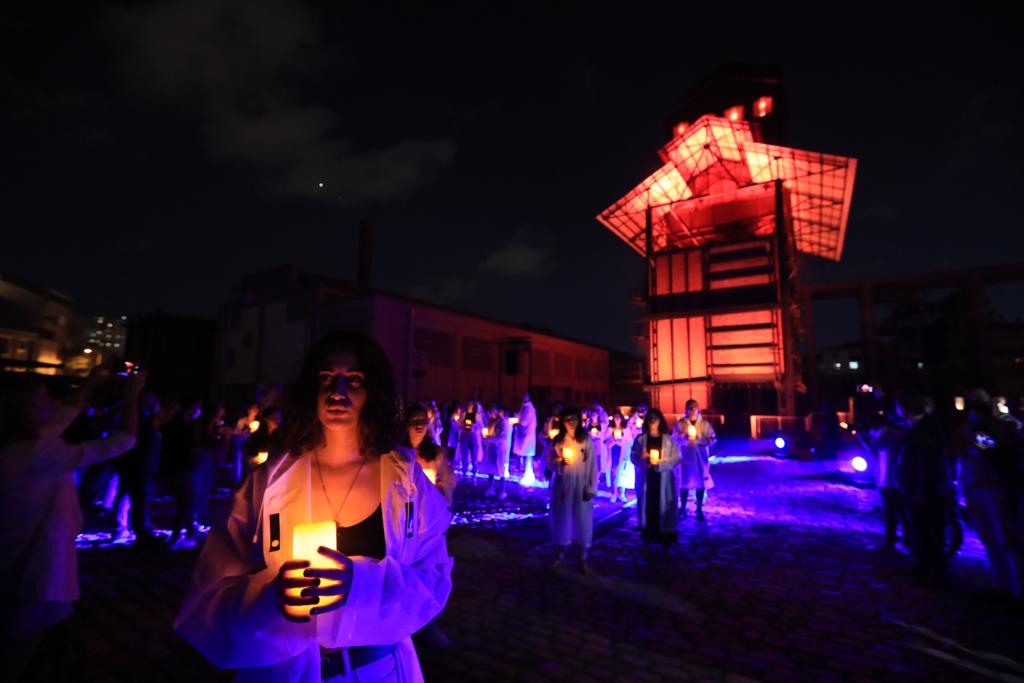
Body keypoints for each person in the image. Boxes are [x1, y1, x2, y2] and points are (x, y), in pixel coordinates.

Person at [175, 331, 453, 682]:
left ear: (373, 392)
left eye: (353, 380)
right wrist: (272, 595)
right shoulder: (269, 482)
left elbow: (433, 580)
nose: (337, 391)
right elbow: (211, 591)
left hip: (379, 671)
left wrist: (360, 583)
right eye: (326, 379)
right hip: (287, 672)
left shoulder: (407, 485)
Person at [1, 367, 144, 681]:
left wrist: (90, 383)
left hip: (25, 567)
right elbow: (123, 441)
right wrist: (132, 396)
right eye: (42, 400)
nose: (52, 403)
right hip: (33, 575)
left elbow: (60, 418)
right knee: (17, 657)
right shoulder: (38, 453)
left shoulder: (21, 444)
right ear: (25, 411)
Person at [403, 402, 456, 650]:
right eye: (414, 418)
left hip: (429, 525)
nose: (419, 424)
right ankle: (404, 626)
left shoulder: (436, 454)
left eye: (423, 419)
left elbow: (448, 482)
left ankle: (430, 622)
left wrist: (436, 492)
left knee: (430, 573)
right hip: (403, 526)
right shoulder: (396, 455)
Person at [896, 393, 949, 584]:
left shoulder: (924, 430)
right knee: (919, 529)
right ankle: (923, 565)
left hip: (926, 489)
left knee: (930, 531)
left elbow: (926, 463)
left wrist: (921, 489)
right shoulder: (916, 428)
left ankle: (936, 571)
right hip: (917, 486)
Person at [546, 407, 598, 573]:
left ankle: (583, 558)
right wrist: (559, 462)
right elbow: (548, 461)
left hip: (581, 484)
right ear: (562, 421)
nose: (571, 421)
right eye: (567, 418)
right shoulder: (557, 440)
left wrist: (591, 486)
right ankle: (559, 555)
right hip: (563, 484)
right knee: (562, 517)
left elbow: (592, 464)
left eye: (573, 418)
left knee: (582, 519)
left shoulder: (585, 440)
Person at [113, 391, 163, 542]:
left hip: (139, 465)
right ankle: (139, 531)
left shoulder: (142, 419)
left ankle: (123, 527)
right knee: (139, 498)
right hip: (138, 465)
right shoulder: (140, 420)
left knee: (130, 496)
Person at [631, 408, 681, 542]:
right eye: (650, 417)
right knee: (648, 502)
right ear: (646, 421)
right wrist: (643, 460)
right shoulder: (641, 440)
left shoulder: (668, 440)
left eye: (655, 417)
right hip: (647, 476)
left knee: (663, 501)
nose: (652, 420)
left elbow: (677, 457)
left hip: (663, 477)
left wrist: (662, 464)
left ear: (660, 420)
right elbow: (633, 457)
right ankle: (648, 529)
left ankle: (664, 530)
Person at [671, 400, 716, 521]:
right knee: (684, 483)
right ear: (685, 409)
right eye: (689, 408)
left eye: (694, 408)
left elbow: (712, 439)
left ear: (698, 409)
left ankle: (699, 508)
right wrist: (684, 439)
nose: (692, 410)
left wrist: (700, 440)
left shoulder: (705, 424)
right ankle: (683, 508)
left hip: (700, 457)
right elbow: (673, 440)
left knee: (701, 483)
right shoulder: (680, 424)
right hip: (686, 457)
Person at [480, 404, 509, 498]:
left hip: (499, 447)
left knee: (500, 467)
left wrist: (489, 438)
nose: (490, 413)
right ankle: (490, 488)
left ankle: (502, 490)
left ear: (497, 411)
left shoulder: (503, 421)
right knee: (490, 467)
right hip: (491, 446)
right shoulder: (490, 421)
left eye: (492, 410)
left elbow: (502, 435)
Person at [605, 412, 635, 503]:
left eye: (618, 417)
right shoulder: (610, 429)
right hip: (613, 452)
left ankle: (622, 493)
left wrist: (621, 442)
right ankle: (614, 493)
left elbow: (630, 442)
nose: (617, 419)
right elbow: (605, 440)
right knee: (614, 472)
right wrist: (613, 441)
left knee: (622, 473)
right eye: (615, 417)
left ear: (621, 418)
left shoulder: (626, 429)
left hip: (623, 452)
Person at [511, 393, 537, 486]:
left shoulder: (529, 408)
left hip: (526, 434)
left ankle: (528, 475)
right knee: (525, 453)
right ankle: (527, 473)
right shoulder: (524, 406)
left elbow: (524, 421)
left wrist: (517, 423)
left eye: (524, 396)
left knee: (527, 454)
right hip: (524, 434)